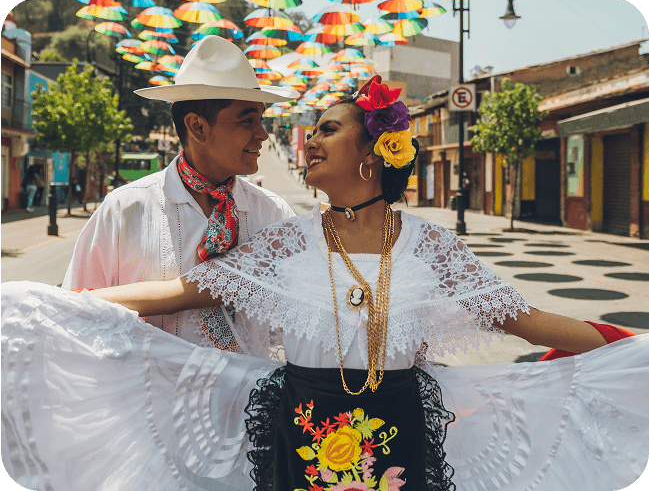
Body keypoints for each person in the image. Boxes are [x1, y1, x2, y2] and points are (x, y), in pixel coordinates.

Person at [2, 77, 647, 491]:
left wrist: (627, 343)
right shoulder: (287, 238)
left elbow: (525, 319)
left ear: (372, 154)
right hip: (299, 441)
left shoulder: (432, 248)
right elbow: (183, 290)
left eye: (327, 129)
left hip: (401, 440)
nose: (305, 140)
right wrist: (62, 306)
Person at [61, 36, 299, 347]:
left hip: (248, 395)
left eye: (261, 119)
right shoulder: (126, 210)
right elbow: (73, 314)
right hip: (151, 395)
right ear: (198, 127)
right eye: (247, 121)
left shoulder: (274, 214)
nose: (263, 134)